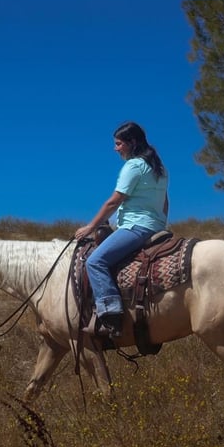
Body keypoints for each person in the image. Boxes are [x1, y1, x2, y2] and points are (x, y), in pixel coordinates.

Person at [74, 121, 169, 339]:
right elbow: (165, 201)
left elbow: (115, 201)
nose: (116, 148)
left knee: (95, 261)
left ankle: (111, 315)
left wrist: (91, 226)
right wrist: (162, 223)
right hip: (156, 226)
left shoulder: (134, 166)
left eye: (119, 144)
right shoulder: (160, 168)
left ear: (132, 143)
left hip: (136, 226)